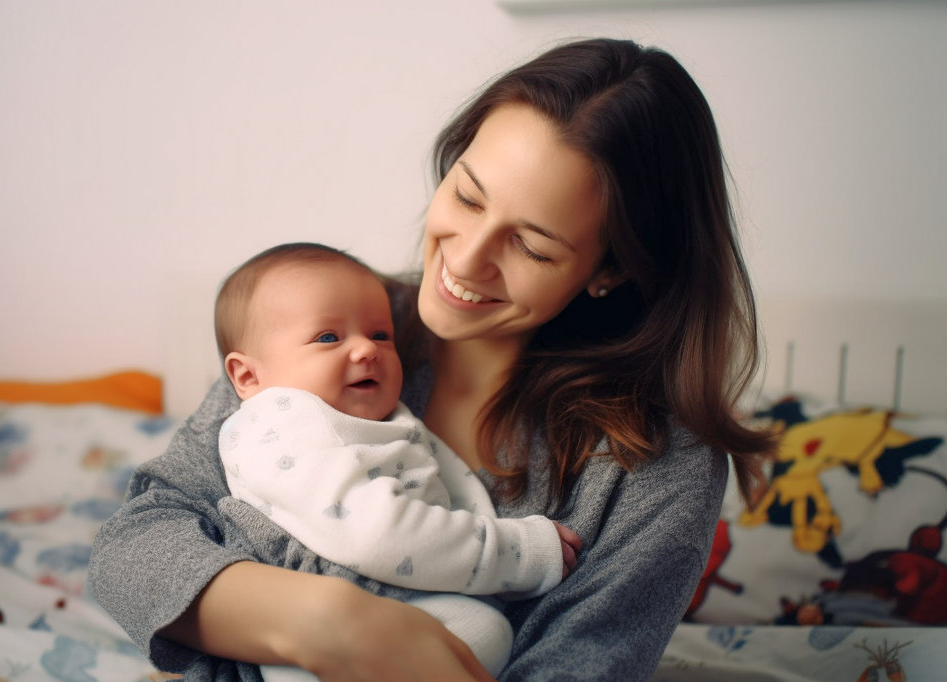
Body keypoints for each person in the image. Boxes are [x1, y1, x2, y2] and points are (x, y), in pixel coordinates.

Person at [90, 37, 774, 681]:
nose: (466, 258)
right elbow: (133, 549)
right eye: (467, 195)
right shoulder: (328, 326)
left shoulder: (658, 466)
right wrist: (329, 624)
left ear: (612, 268)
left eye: (531, 247)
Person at [213, 242, 580, 679]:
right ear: (248, 376)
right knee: (484, 632)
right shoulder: (288, 422)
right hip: (332, 610)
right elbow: (375, 531)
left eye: (380, 335)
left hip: (368, 606)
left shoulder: (351, 418)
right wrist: (519, 552)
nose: (366, 350)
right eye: (328, 337)